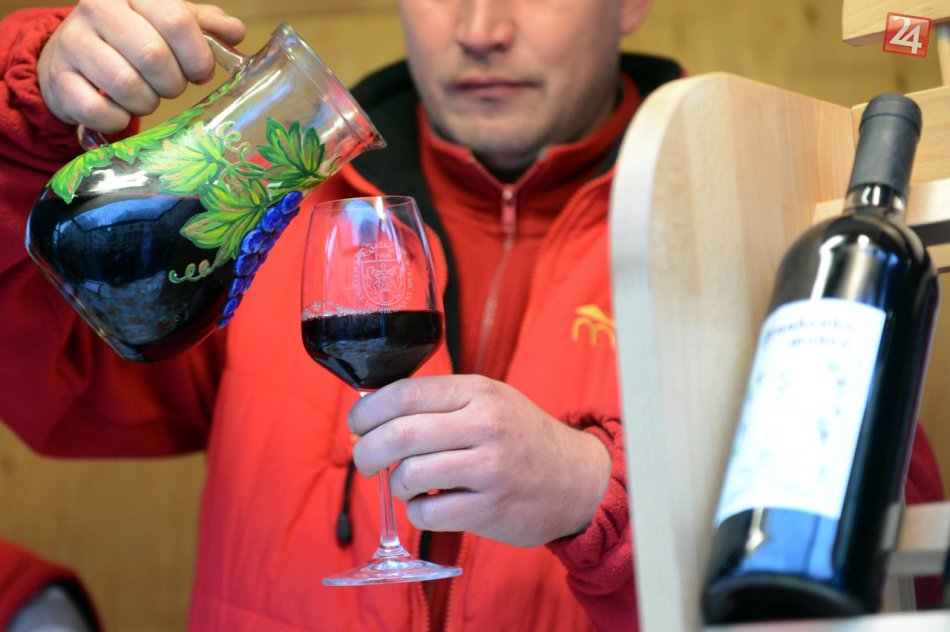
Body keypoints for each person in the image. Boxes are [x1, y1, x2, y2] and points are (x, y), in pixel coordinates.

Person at [0, 0, 943, 630]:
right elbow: (57, 384)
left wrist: (598, 493)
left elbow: (889, 543)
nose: (481, 28)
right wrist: (30, 114)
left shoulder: (756, 207)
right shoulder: (265, 205)